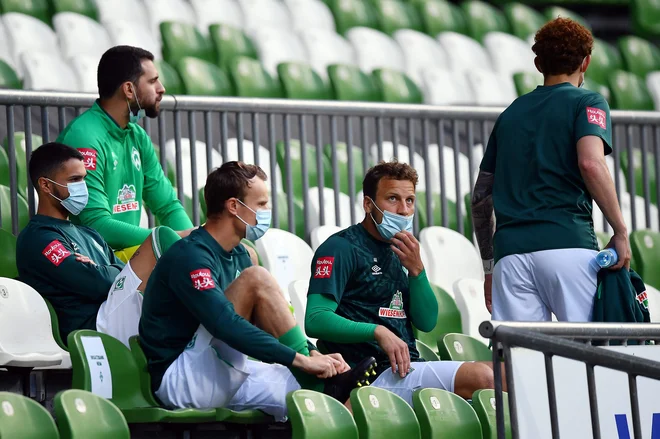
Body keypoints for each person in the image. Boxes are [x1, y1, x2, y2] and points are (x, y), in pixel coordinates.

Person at [139, 161, 377, 420]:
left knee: (328, 406)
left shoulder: (242, 254)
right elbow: (225, 325)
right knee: (257, 278)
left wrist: (312, 353)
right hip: (180, 377)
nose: (268, 212)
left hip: (226, 366)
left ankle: (327, 388)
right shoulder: (190, 255)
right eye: (262, 204)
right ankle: (324, 383)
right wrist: (301, 361)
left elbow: (275, 319)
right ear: (233, 206)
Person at [471, 18, 631, 322]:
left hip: (510, 256)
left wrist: (490, 267)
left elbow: (480, 196)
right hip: (567, 245)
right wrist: (621, 231)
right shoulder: (588, 101)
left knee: (522, 364)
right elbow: (590, 163)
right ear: (586, 63)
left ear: (537, 62)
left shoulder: (510, 114)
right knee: (594, 359)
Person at [304, 161, 498, 406]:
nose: (404, 210)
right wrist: (377, 331)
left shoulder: (403, 249)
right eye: (393, 199)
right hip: (368, 375)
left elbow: (427, 322)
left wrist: (417, 271)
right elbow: (315, 319)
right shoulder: (340, 247)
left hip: (407, 370)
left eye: (409, 200)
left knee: (506, 375)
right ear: (368, 204)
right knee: (485, 378)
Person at [16, 143, 181, 347]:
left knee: (183, 305)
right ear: (46, 185)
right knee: (160, 237)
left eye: (84, 178)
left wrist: (101, 269)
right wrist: (105, 272)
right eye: (74, 180)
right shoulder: (39, 238)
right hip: (95, 326)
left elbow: (117, 273)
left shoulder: (88, 232)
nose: (82, 187)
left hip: (121, 310)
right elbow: (97, 283)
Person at [56, 45, 194, 263]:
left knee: (240, 253)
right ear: (129, 90)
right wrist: (172, 239)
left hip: (132, 254)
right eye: (152, 81)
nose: (162, 88)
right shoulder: (85, 137)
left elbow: (167, 205)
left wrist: (193, 243)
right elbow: (96, 223)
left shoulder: (136, 135)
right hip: (96, 258)